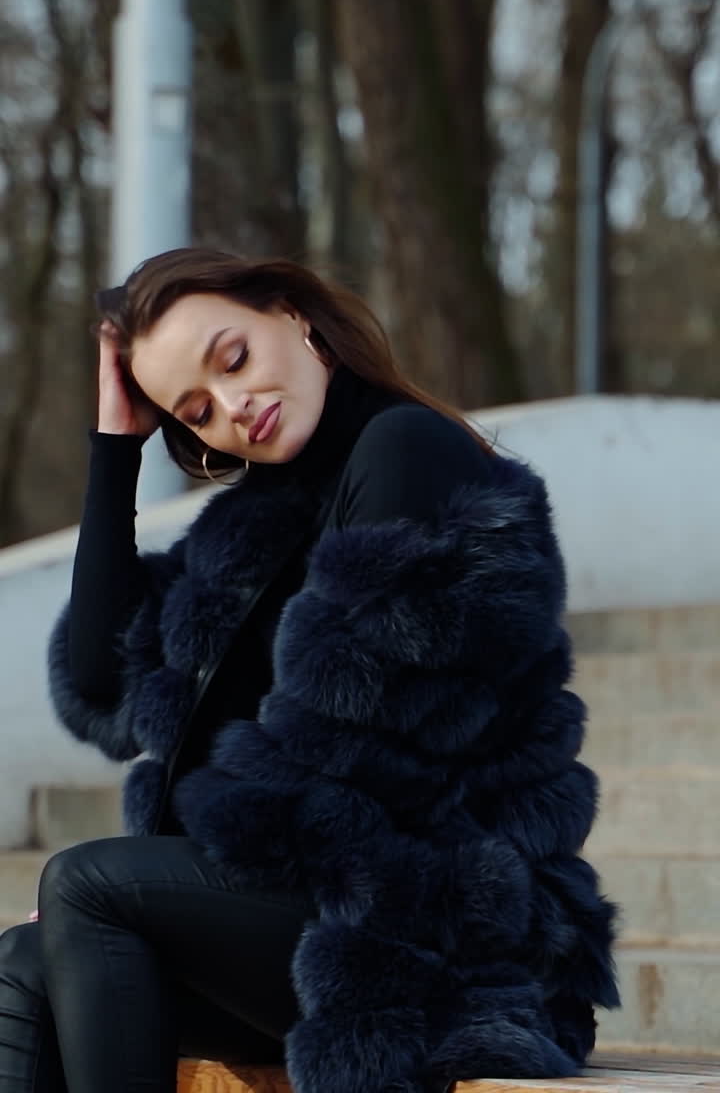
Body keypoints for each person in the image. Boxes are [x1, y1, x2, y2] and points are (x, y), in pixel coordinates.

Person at [0, 248, 619, 1093]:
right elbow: (103, 676)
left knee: (86, 886)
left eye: (233, 359)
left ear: (293, 316)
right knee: (26, 957)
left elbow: (350, 744)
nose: (233, 407)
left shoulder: (407, 450)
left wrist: (140, 872)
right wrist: (115, 451)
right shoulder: (254, 526)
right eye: (197, 410)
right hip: (328, 910)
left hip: (448, 927)